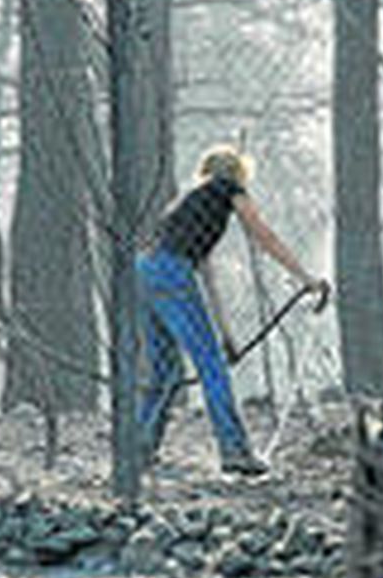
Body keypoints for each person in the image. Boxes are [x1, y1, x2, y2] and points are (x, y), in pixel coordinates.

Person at [136, 144, 330, 476]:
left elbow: (204, 274)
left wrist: (227, 337)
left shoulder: (191, 204)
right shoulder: (229, 189)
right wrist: (305, 278)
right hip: (170, 271)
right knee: (211, 368)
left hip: (143, 272)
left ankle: (137, 451)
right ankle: (235, 452)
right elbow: (263, 236)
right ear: (237, 174)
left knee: (165, 371)